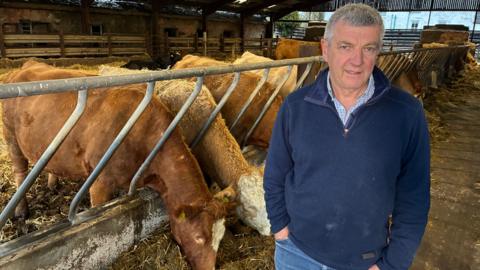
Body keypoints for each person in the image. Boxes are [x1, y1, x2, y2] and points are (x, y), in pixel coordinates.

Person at [264, 3, 430, 270]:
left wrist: (393, 263)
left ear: (378, 52)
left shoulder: (406, 113)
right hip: (296, 252)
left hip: (364, 261)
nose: (357, 60)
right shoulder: (295, 106)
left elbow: (415, 198)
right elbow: (275, 174)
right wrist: (280, 229)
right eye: (345, 46)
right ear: (325, 49)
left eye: (368, 48)